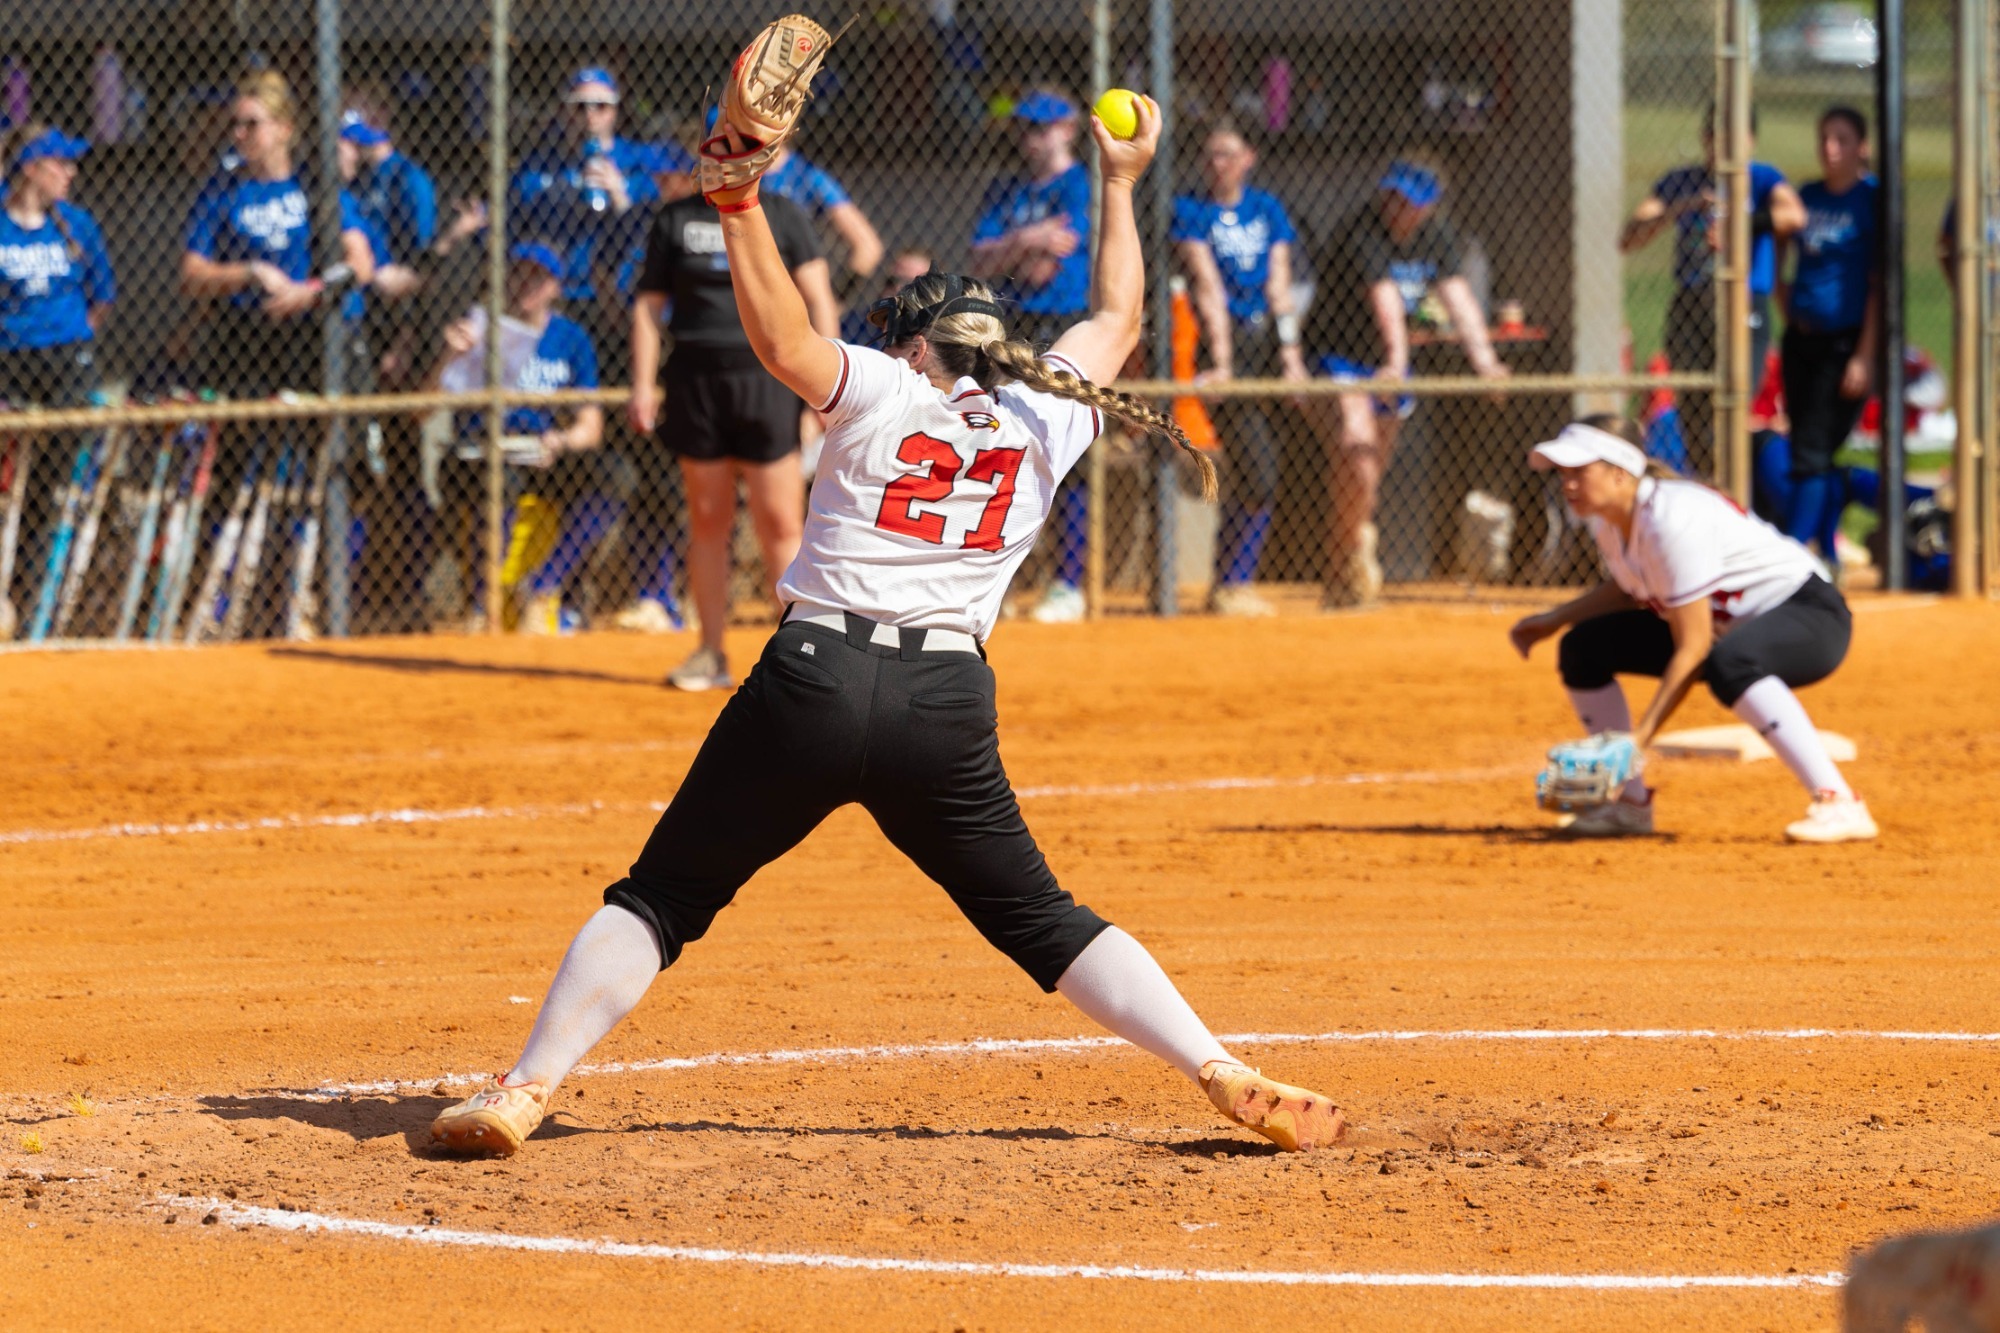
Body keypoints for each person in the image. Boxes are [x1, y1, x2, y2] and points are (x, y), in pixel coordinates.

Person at [430, 94, 1343, 1160]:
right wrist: (1121, 182)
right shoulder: (1043, 414)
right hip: (942, 708)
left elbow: (777, 335)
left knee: (664, 895)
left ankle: (526, 1086)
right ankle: (1215, 1065)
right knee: (1042, 919)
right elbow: (1121, 318)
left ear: (918, 348)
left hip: (809, 685)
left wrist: (737, 201)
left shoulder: (880, 389)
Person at [1506, 417, 1875, 844]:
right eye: (1562, 473)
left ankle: (1839, 801)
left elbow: (1694, 645)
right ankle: (1630, 806)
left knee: (1730, 662)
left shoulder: (1670, 517)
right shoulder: (1609, 520)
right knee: (1585, 647)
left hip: (1810, 616)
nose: (1567, 484)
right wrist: (1556, 619)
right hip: (1731, 627)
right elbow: (1633, 587)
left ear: (1620, 472)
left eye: (1579, 471)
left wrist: (1639, 739)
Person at [628, 115, 839, 688]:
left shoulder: (786, 217)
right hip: (696, 381)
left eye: (748, 147)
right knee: (708, 518)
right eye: (725, 146)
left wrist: (825, 388)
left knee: (780, 521)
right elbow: (649, 309)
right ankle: (710, 651)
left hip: (768, 381)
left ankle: (798, 661)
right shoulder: (675, 218)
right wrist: (644, 384)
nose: (736, 155)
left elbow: (820, 301)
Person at [1306, 159, 1507, 609]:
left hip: (1387, 363)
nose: (1397, 209)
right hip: (1340, 356)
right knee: (1356, 448)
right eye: (1392, 197)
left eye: (1409, 203)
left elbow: (1457, 297)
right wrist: (1396, 362)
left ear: (1430, 206)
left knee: (1368, 472)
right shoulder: (1362, 231)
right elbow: (1385, 300)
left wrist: (1486, 361)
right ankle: (1351, 556)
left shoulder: (1437, 236)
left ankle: (1345, 565)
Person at [1618, 107, 1803, 476]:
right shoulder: (1683, 182)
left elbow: (1793, 216)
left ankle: (1737, 493)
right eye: (1715, 136)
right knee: (1695, 416)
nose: (1722, 146)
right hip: (1692, 304)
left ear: (1749, 141)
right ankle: (1709, 489)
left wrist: (1740, 224)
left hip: (1743, 302)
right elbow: (1630, 236)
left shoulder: (1761, 179)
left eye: (1733, 137)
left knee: (1733, 405)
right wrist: (1683, 207)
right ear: (1705, 139)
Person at [428, 242, 603, 630]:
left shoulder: (570, 338)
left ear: (555, 288)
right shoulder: (477, 330)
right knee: (498, 481)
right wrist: (447, 357)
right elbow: (425, 409)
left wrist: (561, 441)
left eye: (538, 278)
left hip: (541, 451)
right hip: (481, 452)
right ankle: (482, 607)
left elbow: (591, 427)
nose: (527, 285)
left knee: (614, 475)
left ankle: (540, 587)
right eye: (519, 274)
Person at [970, 88, 1094, 624]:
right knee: (1001, 449)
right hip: (1013, 326)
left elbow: (1044, 267)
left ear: (1069, 128)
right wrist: (1030, 238)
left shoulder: (1079, 185)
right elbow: (981, 257)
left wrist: (1013, 249)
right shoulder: (1008, 187)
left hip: (1063, 326)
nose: (1031, 138)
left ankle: (1069, 582)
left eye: (1042, 128)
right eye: (1025, 128)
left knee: (1067, 459)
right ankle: (1003, 578)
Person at [1172, 120, 1306, 616]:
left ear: (1249, 157)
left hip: (1265, 344)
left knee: (1262, 469)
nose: (1217, 164)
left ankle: (1230, 584)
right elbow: (1207, 288)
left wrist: (1290, 354)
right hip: (1220, 342)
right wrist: (1223, 362)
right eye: (1209, 155)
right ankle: (1232, 583)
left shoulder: (1266, 208)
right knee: (1258, 468)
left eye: (1227, 154)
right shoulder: (1190, 210)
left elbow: (1279, 284)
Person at [181, 70, 376, 401]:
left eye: (252, 124)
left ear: (284, 129)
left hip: (310, 332)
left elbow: (361, 261)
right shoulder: (222, 191)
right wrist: (250, 273)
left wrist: (312, 291)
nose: (239, 134)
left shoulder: (315, 185)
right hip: (247, 336)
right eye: (235, 125)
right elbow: (191, 274)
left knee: (319, 434)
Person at [1776, 106, 1878, 571]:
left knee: (1812, 449)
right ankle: (1829, 552)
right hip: (1801, 339)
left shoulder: (1871, 199)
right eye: (1824, 138)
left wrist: (1864, 355)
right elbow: (1779, 250)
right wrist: (1785, 302)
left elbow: (1880, 283)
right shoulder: (1807, 196)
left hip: (1844, 342)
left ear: (1862, 148)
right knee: (1808, 443)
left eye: (1841, 139)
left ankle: (1793, 555)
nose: (1829, 148)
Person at [508, 66, 659, 363]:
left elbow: (654, 230)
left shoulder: (638, 163)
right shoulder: (539, 168)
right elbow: (513, 227)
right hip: (557, 296)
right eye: (580, 107)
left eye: (600, 106)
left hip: (616, 298)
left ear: (614, 111)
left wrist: (620, 196)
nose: (590, 115)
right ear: (565, 112)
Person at [1, 124, 113, 407]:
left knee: (69, 442)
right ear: (31, 168)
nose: (71, 171)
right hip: (11, 356)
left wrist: (73, 330)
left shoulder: (78, 224)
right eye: (61, 163)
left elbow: (103, 296)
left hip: (67, 353)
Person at [760, 141, 884, 286]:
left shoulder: (806, 176)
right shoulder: (735, 175)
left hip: (795, 283)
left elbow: (868, 247)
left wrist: (834, 298)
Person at [840, 244, 932, 344]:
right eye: (892, 281)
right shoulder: (857, 322)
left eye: (909, 284)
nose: (897, 288)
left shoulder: (935, 337)